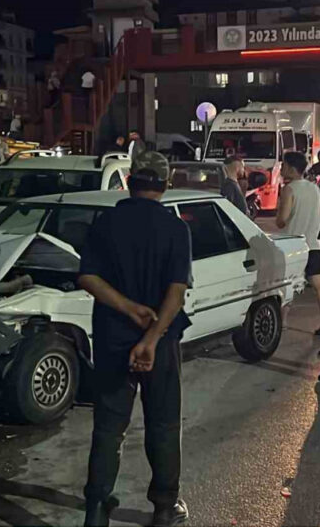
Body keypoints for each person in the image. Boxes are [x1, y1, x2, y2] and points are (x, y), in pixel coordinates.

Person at [78, 151, 192, 527]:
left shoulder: (105, 221)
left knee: (109, 426)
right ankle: (164, 508)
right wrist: (152, 339)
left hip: (112, 339)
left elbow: (88, 278)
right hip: (160, 343)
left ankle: (96, 509)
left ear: (129, 181)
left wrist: (127, 309)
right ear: (165, 184)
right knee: (163, 423)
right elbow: (176, 294)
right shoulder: (176, 228)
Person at [275, 152, 320, 338]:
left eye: (283, 165)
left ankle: (282, 323)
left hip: (293, 247)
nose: (281, 169)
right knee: (319, 283)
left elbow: (282, 220)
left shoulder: (289, 189)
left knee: (287, 284)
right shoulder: (314, 188)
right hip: (313, 245)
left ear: (292, 168)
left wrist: (280, 219)